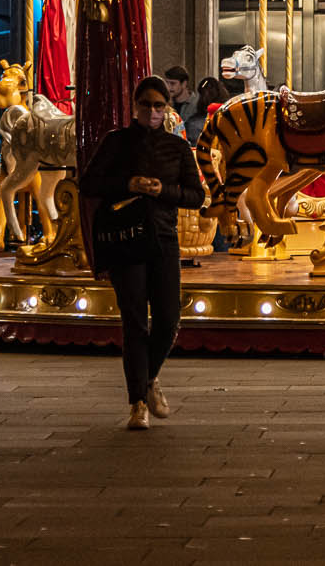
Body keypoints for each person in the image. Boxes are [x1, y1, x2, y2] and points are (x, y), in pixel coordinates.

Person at [83, 76, 206, 431]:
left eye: (158, 106)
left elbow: (196, 196)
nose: (152, 111)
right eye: (146, 105)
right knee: (135, 321)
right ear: (135, 106)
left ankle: (149, 377)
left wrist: (162, 190)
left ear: (167, 109)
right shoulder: (116, 142)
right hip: (126, 239)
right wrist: (127, 184)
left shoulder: (177, 147)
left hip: (163, 238)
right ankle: (137, 401)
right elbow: (89, 183)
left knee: (168, 318)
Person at [165, 66, 203, 141]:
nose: (168, 87)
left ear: (184, 84)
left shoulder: (197, 104)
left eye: (172, 83)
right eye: (167, 83)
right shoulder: (166, 104)